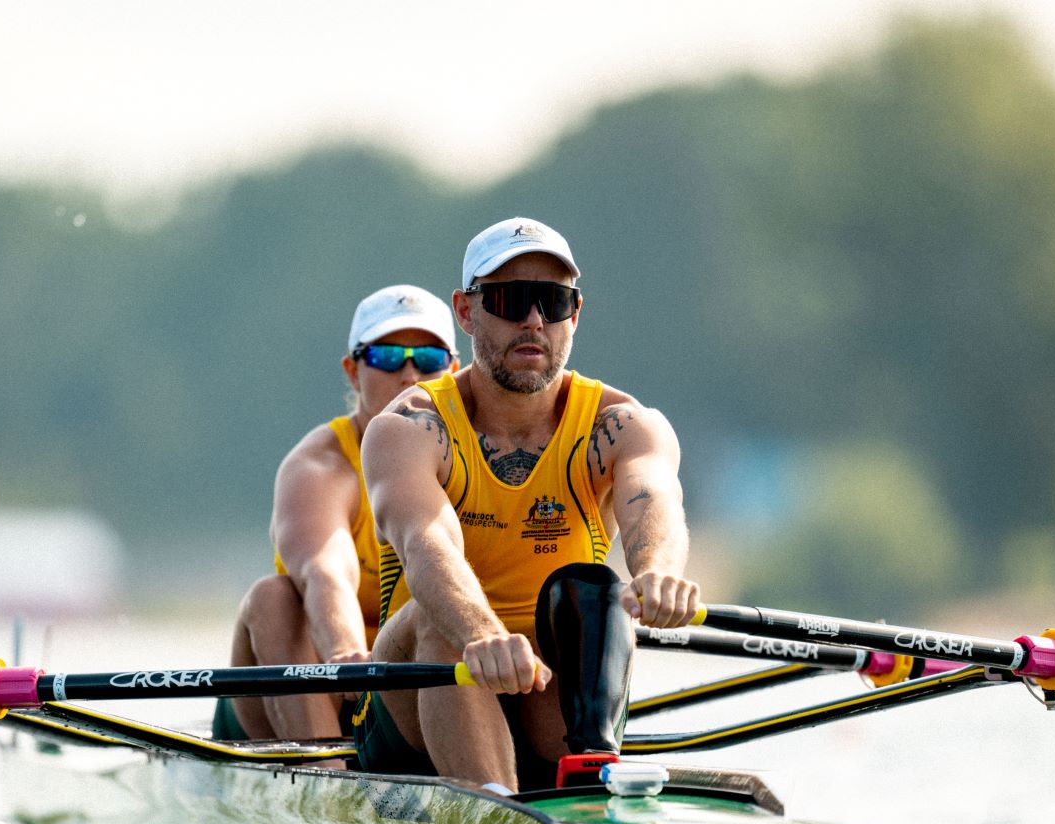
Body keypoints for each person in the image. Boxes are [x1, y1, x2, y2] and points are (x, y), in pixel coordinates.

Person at [355, 218, 700, 791]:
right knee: (438, 621)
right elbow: (426, 545)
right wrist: (483, 634)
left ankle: (589, 774)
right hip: (416, 699)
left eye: (553, 301)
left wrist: (659, 574)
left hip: (545, 688)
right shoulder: (410, 428)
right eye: (511, 300)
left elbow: (653, 499)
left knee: (596, 589)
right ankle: (497, 805)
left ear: (575, 314)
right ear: (466, 311)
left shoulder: (623, 424)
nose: (534, 320)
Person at [213, 285, 459, 743]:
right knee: (273, 597)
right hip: (317, 682)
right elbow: (325, 573)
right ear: (353, 371)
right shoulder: (320, 466)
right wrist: (347, 654)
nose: (409, 375)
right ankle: (324, 767)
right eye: (388, 357)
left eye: (428, 359)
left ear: (453, 371)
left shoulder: (479, 459)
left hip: (400, 686)